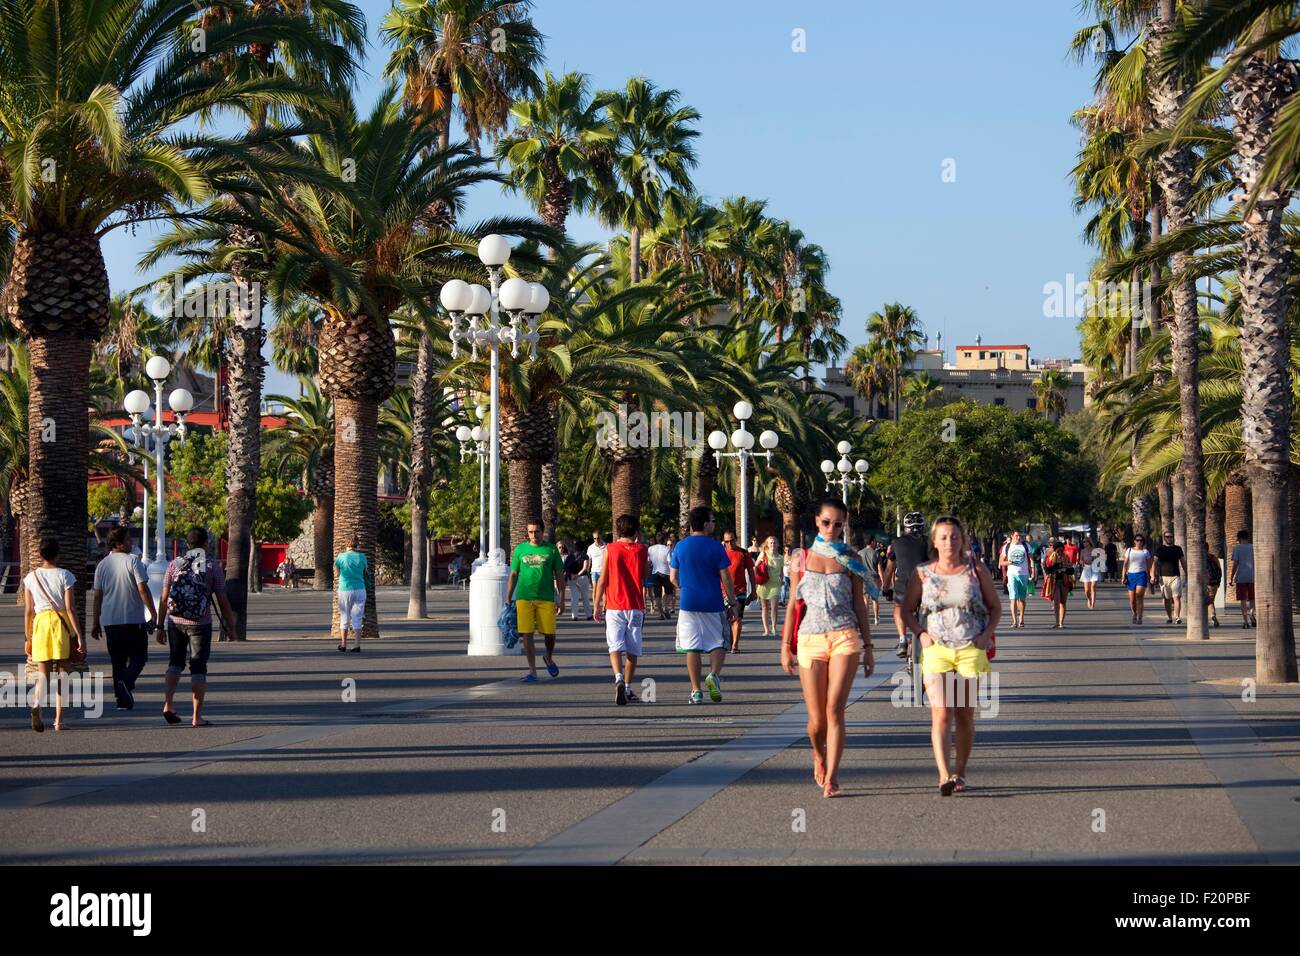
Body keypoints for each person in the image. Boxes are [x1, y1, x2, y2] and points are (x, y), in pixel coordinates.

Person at [899, 516, 1000, 796]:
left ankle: (960, 772)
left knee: (964, 714)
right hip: (937, 649)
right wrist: (920, 633)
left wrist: (986, 635)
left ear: (962, 539)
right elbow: (906, 609)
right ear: (934, 541)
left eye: (954, 536)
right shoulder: (923, 573)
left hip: (970, 648)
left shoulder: (975, 570)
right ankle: (944, 775)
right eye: (943, 537)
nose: (949, 542)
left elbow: (995, 607)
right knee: (941, 712)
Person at [781, 497, 875, 799]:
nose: (832, 528)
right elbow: (794, 604)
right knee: (816, 720)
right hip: (810, 639)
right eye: (826, 522)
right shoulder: (801, 558)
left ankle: (832, 777)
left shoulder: (851, 559)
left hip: (845, 637)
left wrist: (869, 646)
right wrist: (786, 645)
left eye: (838, 524)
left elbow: (860, 605)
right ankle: (818, 754)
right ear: (816, 522)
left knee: (835, 710)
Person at [156, 528, 237, 726]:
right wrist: (231, 627)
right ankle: (196, 716)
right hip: (200, 623)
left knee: (174, 663)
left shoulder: (174, 564)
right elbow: (222, 600)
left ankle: (168, 704)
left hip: (175, 622)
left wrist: (159, 625)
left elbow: (164, 598)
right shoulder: (211, 566)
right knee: (198, 666)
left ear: (187, 544)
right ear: (206, 544)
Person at [669, 506, 738, 704]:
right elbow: (726, 578)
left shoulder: (680, 546)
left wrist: (686, 586)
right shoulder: (716, 547)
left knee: (691, 647)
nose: (714, 524)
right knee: (718, 642)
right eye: (713, 521)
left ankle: (696, 691)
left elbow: (673, 577)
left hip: (688, 603)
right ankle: (713, 675)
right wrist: (733, 603)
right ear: (706, 523)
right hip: (713, 603)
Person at [92, 526, 158, 710]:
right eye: (129, 540)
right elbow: (143, 589)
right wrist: (153, 613)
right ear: (119, 544)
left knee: (117, 661)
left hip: (110, 620)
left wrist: (95, 621)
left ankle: (121, 700)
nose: (132, 543)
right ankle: (126, 683)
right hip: (132, 619)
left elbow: (98, 595)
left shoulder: (102, 565)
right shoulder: (133, 562)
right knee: (140, 656)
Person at [23, 536, 84, 732]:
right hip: (61, 624)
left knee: (43, 675)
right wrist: (79, 635)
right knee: (63, 674)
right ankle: (58, 720)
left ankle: (37, 705)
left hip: (40, 624)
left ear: (40, 554)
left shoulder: (31, 578)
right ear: (58, 554)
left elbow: (29, 611)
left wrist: (28, 637)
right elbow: (70, 608)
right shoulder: (65, 575)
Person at [593, 514, 648, 706]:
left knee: (614, 646)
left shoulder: (610, 549)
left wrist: (597, 604)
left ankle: (618, 677)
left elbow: (602, 579)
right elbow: (644, 575)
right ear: (636, 531)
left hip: (614, 606)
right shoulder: (642, 549)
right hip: (635, 605)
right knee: (633, 650)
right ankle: (628, 686)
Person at [507, 518, 566, 682]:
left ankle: (548, 657)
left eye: (536, 531)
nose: (533, 535)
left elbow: (560, 576)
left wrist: (561, 599)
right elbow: (513, 574)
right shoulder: (520, 550)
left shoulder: (552, 550)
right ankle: (532, 671)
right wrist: (508, 596)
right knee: (527, 634)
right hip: (524, 598)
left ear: (542, 531)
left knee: (549, 634)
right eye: (531, 532)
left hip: (546, 598)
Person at [884, 512, 929, 659]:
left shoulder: (897, 542)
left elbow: (890, 568)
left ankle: (902, 640)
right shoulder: (929, 542)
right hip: (926, 587)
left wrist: (885, 588)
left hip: (905, 586)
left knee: (899, 607)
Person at [721, 529, 757, 653]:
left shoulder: (743, 553)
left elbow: (751, 572)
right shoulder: (721, 553)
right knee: (726, 619)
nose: (729, 543)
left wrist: (753, 590)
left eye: (732, 540)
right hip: (723, 591)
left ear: (736, 539)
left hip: (740, 590)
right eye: (727, 541)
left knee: (737, 618)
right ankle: (730, 642)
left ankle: (735, 645)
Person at [335, 534, 369, 651]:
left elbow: (337, 574)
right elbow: (365, 572)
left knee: (345, 616)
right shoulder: (362, 557)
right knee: (357, 617)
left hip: (345, 589)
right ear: (357, 544)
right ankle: (357, 645)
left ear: (346, 543)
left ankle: (343, 644)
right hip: (360, 589)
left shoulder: (341, 557)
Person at [998, 530, 1032, 628]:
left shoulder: (1026, 546)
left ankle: (1021, 618)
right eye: (1016, 536)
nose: (1018, 537)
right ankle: (1014, 621)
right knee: (1013, 598)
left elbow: (1031, 559)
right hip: (1012, 574)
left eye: (1019, 536)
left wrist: (1033, 571)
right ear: (1012, 536)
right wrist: (1009, 562)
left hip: (1024, 574)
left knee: (1022, 599)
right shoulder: (1007, 547)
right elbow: (1001, 562)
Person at [1153, 531, 1187, 625]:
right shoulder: (1160, 549)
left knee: (1176, 597)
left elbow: (1183, 561)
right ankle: (1169, 617)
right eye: (1167, 537)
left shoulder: (1177, 549)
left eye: (1171, 537)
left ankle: (1177, 617)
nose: (1169, 538)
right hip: (1163, 577)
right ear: (1164, 538)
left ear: (1173, 538)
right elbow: (1155, 563)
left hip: (1175, 576)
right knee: (1167, 599)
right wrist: (1152, 575)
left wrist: (1188, 573)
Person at [755, 536, 783, 637]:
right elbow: (756, 566)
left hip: (775, 584)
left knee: (774, 607)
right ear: (767, 544)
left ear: (777, 544)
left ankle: (774, 628)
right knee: (764, 607)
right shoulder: (763, 554)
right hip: (764, 584)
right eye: (770, 543)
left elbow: (781, 572)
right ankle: (766, 630)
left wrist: (782, 581)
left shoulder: (780, 557)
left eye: (774, 543)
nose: (772, 545)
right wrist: (756, 578)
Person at [1042, 538, 1073, 628]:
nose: (1060, 552)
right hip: (1054, 581)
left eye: (1061, 550)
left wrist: (1065, 568)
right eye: (1058, 550)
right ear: (1055, 550)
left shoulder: (1066, 557)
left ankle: (1061, 623)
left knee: (1063, 602)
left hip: (1064, 581)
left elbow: (1071, 570)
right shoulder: (1050, 557)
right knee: (1056, 601)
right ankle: (1056, 622)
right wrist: (1058, 566)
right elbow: (1048, 570)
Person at [1124, 534, 1154, 624]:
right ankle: (1134, 613)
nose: (1139, 542)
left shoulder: (1145, 552)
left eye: (1141, 540)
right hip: (1131, 575)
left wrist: (1152, 576)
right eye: (1137, 540)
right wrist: (1123, 576)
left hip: (1142, 575)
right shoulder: (1129, 550)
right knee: (1132, 600)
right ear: (1134, 541)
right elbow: (1125, 564)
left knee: (1139, 596)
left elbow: (1150, 566)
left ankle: (1140, 617)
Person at [1229, 529, 1256, 628]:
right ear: (1247, 537)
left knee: (1243, 600)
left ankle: (1245, 622)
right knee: (1252, 599)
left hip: (1241, 577)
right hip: (1253, 577)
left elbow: (1235, 564)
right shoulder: (1253, 547)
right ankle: (1252, 614)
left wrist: (1231, 577)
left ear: (1239, 538)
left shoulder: (1237, 548)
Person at [561, 541, 592, 620]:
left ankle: (574, 615)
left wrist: (571, 575)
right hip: (582, 577)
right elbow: (585, 568)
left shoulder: (570, 557)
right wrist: (578, 575)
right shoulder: (585, 556)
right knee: (585, 597)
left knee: (574, 597)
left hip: (572, 578)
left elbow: (565, 568)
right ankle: (588, 615)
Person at [647, 533, 674, 619]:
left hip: (655, 572)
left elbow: (648, 561)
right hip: (666, 573)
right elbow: (670, 562)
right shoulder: (667, 549)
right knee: (669, 593)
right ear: (664, 540)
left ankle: (661, 613)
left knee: (657, 595)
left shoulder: (650, 549)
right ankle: (666, 607)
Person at [857, 536, 881, 626]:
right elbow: (879, 568)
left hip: (863, 578)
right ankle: (876, 618)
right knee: (875, 599)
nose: (875, 543)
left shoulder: (859, 553)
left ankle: (866, 619)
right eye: (874, 541)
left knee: (865, 599)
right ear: (871, 542)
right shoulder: (875, 553)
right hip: (874, 577)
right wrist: (882, 579)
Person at [1079, 536, 1103, 610]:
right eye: (1083, 542)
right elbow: (1080, 560)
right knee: (1087, 590)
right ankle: (1089, 599)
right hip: (1086, 569)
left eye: (1085, 541)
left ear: (1089, 542)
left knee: (1093, 586)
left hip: (1094, 569)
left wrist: (1094, 561)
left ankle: (1093, 603)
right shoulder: (1082, 551)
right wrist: (1082, 562)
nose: (1084, 543)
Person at [1204, 547, 1222, 628]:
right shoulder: (1213, 557)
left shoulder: (1198, 558)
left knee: (1208, 601)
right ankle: (1212, 615)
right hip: (1214, 582)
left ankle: (1211, 615)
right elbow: (1219, 570)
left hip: (1205, 583)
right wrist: (1219, 582)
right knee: (1211, 600)